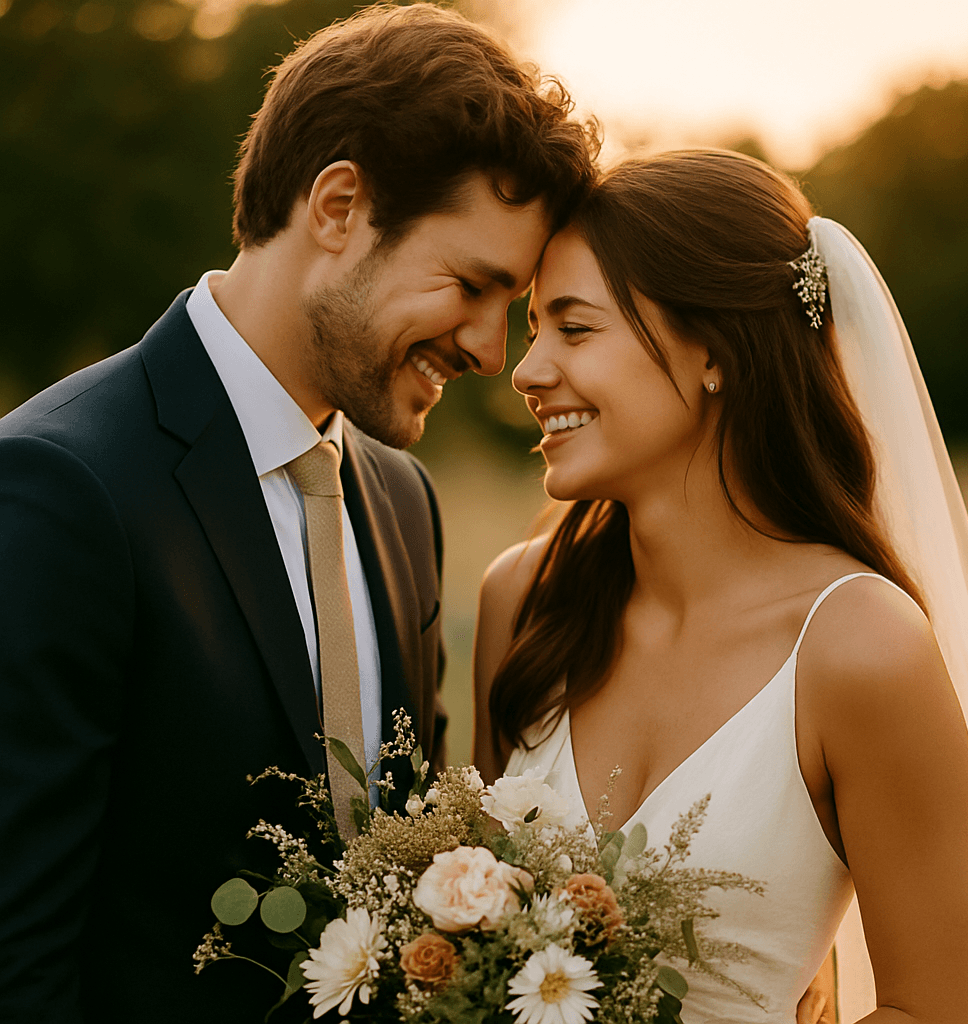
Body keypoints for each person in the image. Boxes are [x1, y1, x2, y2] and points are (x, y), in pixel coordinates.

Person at [0, 5, 597, 1022]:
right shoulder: (59, 489)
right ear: (338, 206)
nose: (489, 352)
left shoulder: (405, 503)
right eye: (470, 284)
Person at [474, 150, 968, 1023]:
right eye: (533, 328)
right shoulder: (523, 602)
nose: (529, 371)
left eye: (574, 329)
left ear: (714, 354)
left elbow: (943, 1010)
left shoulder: (860, 649)